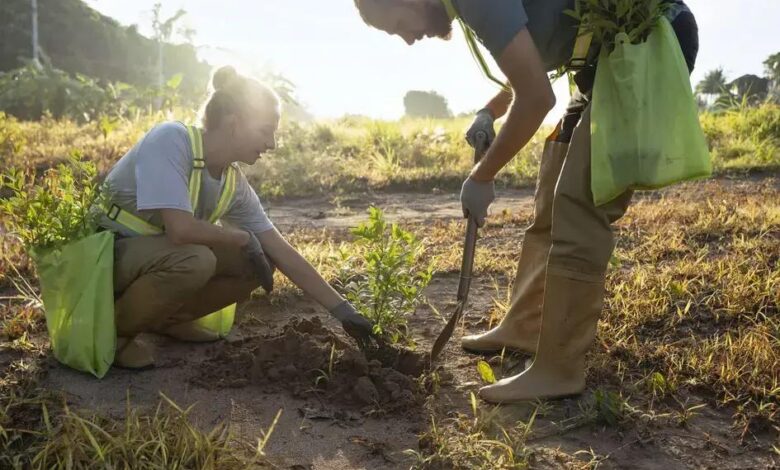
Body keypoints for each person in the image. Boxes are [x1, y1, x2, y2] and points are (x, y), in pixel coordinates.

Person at [353, 0, 699, 402]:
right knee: (552, 192)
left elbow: (536, 98)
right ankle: (526, 327)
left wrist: (482, 176)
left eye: (398, 25)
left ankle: (559, 369)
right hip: (599, 61)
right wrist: (490, 110)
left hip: (647, 44)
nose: (408, 40)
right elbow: (530, 63)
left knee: (579, 205)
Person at [100, 66, 374, 369]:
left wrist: (344, 313)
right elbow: (180, 230)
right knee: (197, 259)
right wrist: (241, 237)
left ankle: (167, 320)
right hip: (106, 258)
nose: (272, 144)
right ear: (233, 123)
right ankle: (115, 334)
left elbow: (281, 250)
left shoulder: (232, 181)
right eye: (265, 131)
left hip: (156, 261)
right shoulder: (171, 140)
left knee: (259, 262)